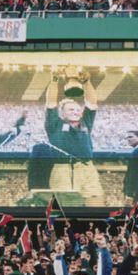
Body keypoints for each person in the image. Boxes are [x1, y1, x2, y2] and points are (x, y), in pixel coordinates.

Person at [44, 68, 104, 206]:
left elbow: (92, 103)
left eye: (78, 110)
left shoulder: (85, 123)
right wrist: (54, 80)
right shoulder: (55, 125)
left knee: (96, 205)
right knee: (67, 210)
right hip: (63, 169)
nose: (76, 112)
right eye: (71, 109)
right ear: (62, 114)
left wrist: (87, 83)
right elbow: (51, 102)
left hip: (87, 167)